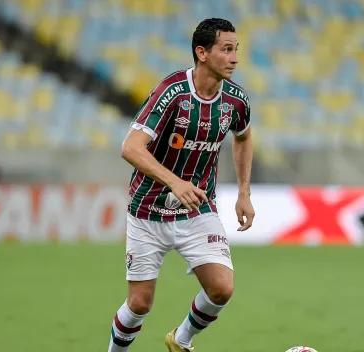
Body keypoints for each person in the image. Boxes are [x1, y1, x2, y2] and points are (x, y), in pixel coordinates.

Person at [108, 18, 255, 352]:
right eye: (227, 50)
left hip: (197, 208)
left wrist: (244, 191)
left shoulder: (236, 101)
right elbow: (130, 147)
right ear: (202, 53)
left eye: (236, 50)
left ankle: (181, 341)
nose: (235, 59)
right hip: (148, 210)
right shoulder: (172, 92)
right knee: (140, 303)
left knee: (222, 288)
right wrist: (175, 182)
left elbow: (243, 138)